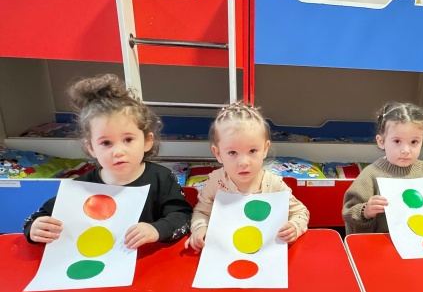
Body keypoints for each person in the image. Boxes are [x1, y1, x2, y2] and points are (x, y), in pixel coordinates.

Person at [23, 74, 192, 248]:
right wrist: (34, 228)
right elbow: (36, 218)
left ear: (147, 141)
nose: (118, 152)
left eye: (128, 139)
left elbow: (183, 217)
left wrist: (156, 230)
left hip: (151, 259)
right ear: (91, 148)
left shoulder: (162, 178)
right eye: (106, 143)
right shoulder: (80, 187)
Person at [186, 101, 309, 252]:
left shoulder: (274, 184)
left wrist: (294, 227)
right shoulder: (215, 182)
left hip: (264, 253)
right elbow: (201, 212)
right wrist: (200, 228)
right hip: (225, 252)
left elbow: (300, 212)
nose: (243, 162)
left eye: (252, 151)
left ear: (265, 149)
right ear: (218, 153)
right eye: (232, 152)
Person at [342, 101, 423, 234]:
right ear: (381, 141)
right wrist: (365, 211)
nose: (405, 150)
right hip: (383, 242)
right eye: (397, 141)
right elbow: (349, 212)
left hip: (421, 242)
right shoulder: (371, 174)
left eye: (414, 142)